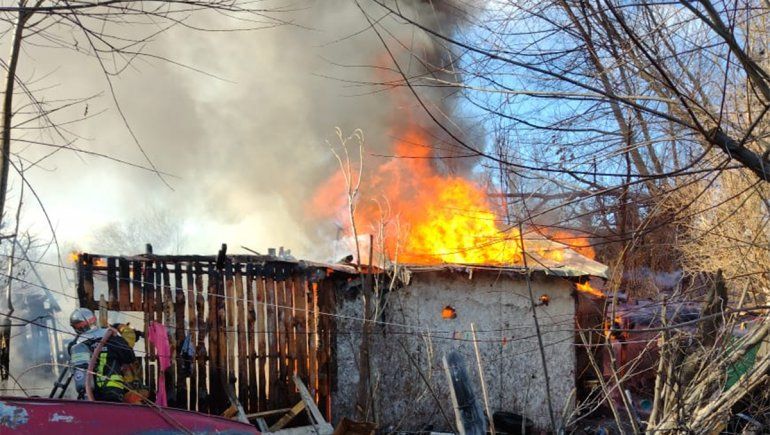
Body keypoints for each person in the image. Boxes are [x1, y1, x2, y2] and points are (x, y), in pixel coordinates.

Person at [68, 308, 136, 402]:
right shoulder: (111, 337)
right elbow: (130, 357)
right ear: (94, 320)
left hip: (89, 392)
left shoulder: (76, 345)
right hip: (113, 389)